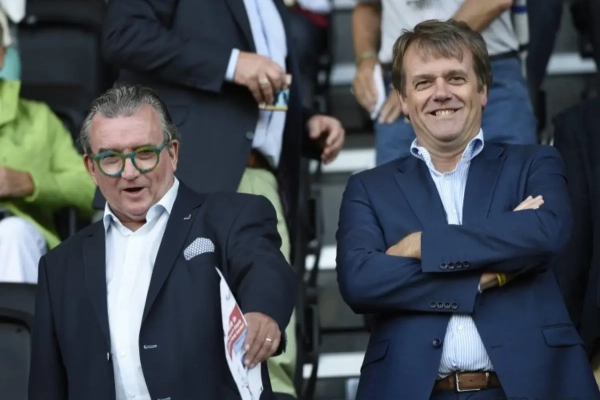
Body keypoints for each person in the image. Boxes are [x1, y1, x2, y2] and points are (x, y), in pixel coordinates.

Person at [336, 19, 600, 399]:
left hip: (534, 387)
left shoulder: (534, 163)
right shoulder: (367, 188)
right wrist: (485, 272)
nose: (441, 93)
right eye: (423, 83)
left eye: (455, 78)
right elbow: (361, 281)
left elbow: (546, 232)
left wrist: (422, 245)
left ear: (483, 90)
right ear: (404, 100)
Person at [101, 2, 345, 398]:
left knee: (270, 332)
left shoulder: (272, 6)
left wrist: (304, 124)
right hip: (182, 172)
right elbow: (123, 34)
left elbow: (260, 92)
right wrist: (231, 63)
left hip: (261, 177)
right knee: (169, 335)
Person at [28, 84, 297, 400]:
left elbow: (265, 270)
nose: (130, 172)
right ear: (91, 168)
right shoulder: (59, 266)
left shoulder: (230, 217)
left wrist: (263, 313)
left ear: (172, 153)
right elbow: (47, 386)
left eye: (144, 153)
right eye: (111, 158)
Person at [352, 0, 537, 166]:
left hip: (489, 72)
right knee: (392, 190)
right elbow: (367, 6)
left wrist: (420, 70)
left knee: (513, 183)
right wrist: (366, 58)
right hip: (403, 84)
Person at [0, 21, 96, 283]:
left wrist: (30, 184)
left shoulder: (39, 120)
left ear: (2, 55)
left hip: (15, 240)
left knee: (13, 235)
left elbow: (91, 188)